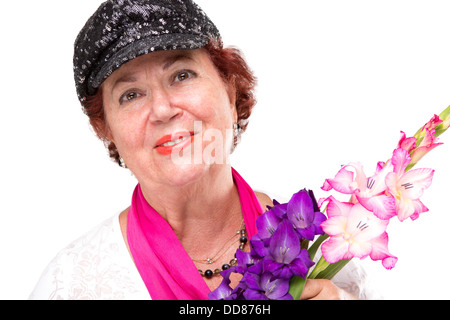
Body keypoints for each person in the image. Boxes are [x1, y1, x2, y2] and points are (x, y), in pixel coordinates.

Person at [29, 0, 376, 300]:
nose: (163, 109)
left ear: (229, 86)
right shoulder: (72, 284)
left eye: (182, 75)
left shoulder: (324, 252)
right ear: (106, 129)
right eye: (130, 94)